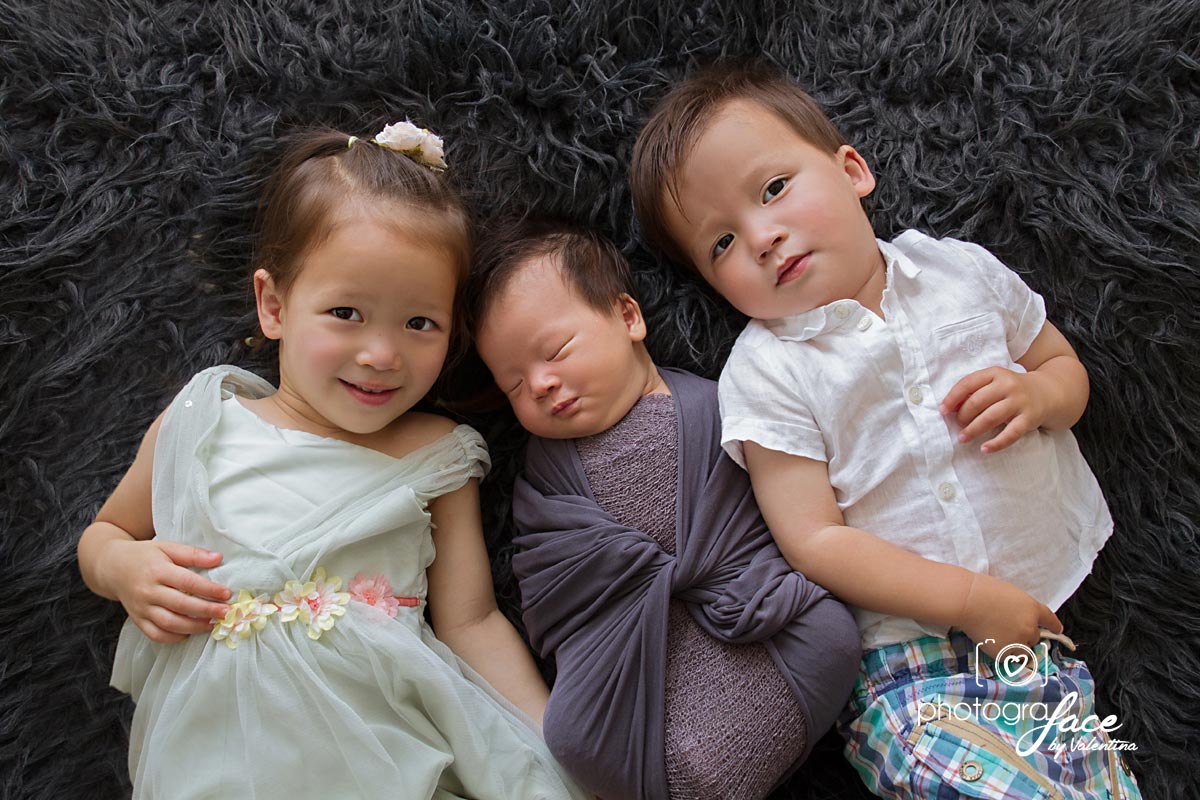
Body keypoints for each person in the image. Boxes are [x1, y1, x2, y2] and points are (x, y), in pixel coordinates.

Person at [629, 65, 1143, 800]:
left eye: (774, 190)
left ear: (852, 171)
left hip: (1044, 647)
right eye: (722, 244)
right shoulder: (769, 371)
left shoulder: (959, 272)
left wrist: (1037, 394)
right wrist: (968, 601)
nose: (765, 237)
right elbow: (815, 540)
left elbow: (1066, 370)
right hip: (912, 672)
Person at [76, 122, 587, 800]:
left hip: (383, 752)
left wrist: (557, 742)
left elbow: (470, 622)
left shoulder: (436, 451)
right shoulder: (203, 421)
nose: (382, 354)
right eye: (346, 312)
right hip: (214, 758)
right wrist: (124, 568)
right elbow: (102, 534)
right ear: (274, 304)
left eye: (419, 323)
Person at [468, 218, 862, 800]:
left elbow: (787, 508)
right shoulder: (545, 471)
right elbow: (553, 584)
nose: (542, 384)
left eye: (555, 352)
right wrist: (629, 579)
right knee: (573, 736)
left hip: (759, 621)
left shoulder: (724, 403)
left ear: (628, 317)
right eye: (514, 385)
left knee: (832, 635)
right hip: (631, 669)